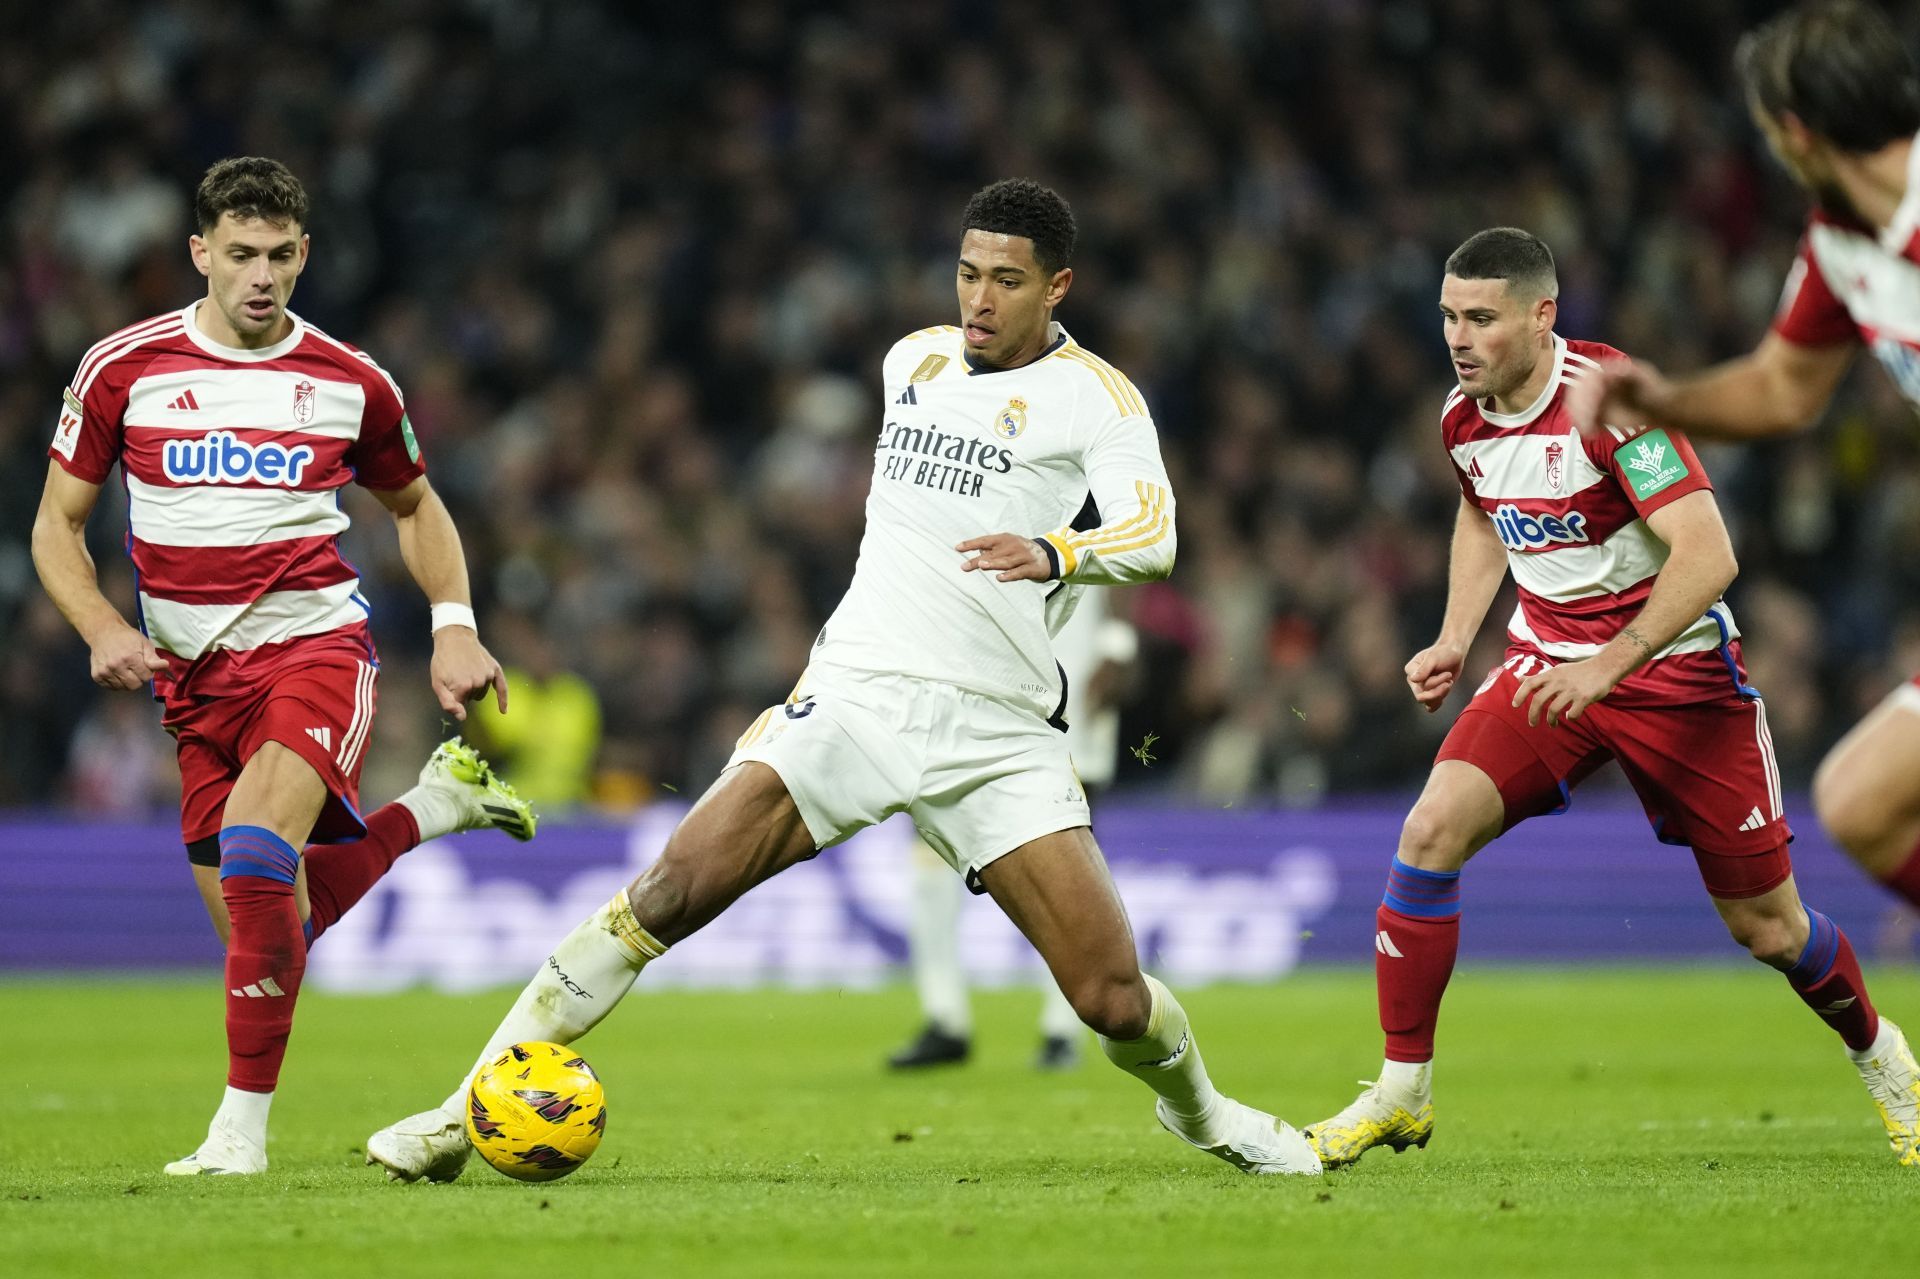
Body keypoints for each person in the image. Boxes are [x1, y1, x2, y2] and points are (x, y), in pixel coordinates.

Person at [366, 177, 1322, 1182]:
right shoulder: (909, 361)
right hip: (859, 694)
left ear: (1060, 288)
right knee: (665, 889)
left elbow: (1156, 532)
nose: (979, 298)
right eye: (967, 273)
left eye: (1007, 280)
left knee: (1112, 1000)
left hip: (997, 728)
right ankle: (455, 1115)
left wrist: (1057, 552)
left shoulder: (1099, 398)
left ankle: (1207, 1116)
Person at [1302, 228, 1915, 1169]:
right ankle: (1400, 1092)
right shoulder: (1462, 418)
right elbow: (1481, 509)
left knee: (1769, 927)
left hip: (1676, 679)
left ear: (1542, 317)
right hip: (1547, 664)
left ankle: (1886, 1059)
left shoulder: (1606, 404)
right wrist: (1457, 635)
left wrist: (1608, 664)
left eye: (1480, 319)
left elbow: (1710, 555)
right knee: (1428, 834)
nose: (1458, 339)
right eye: (1447, 319)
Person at [30, 157, 537, 1176]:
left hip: (313, 654)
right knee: (278, 920)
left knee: (261, 860)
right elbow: (57, 524)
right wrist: (97, 627)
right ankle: (432, 808)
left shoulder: (350, 383)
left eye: (278, 256)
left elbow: (416, 507)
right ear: (200, 254)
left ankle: (237, 1139)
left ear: (303, 254)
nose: (259, 276)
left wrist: (453, 623)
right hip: (188, 685)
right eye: (239, 255)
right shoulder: (123, 368)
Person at [1571, 1, 1920, 930]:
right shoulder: (1845, 246)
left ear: (1795, 130)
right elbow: (1781, 388)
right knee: (1862, 802)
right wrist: (1660, 399)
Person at [885, 586, 1138, 1072]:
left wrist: (1118, 647)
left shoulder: (1081, 509)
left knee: (1068, 867)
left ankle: (1062, 1028)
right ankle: (944, 1018)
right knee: (930, 855)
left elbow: (1123, 564)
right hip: (972, 693)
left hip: (1069, 695)